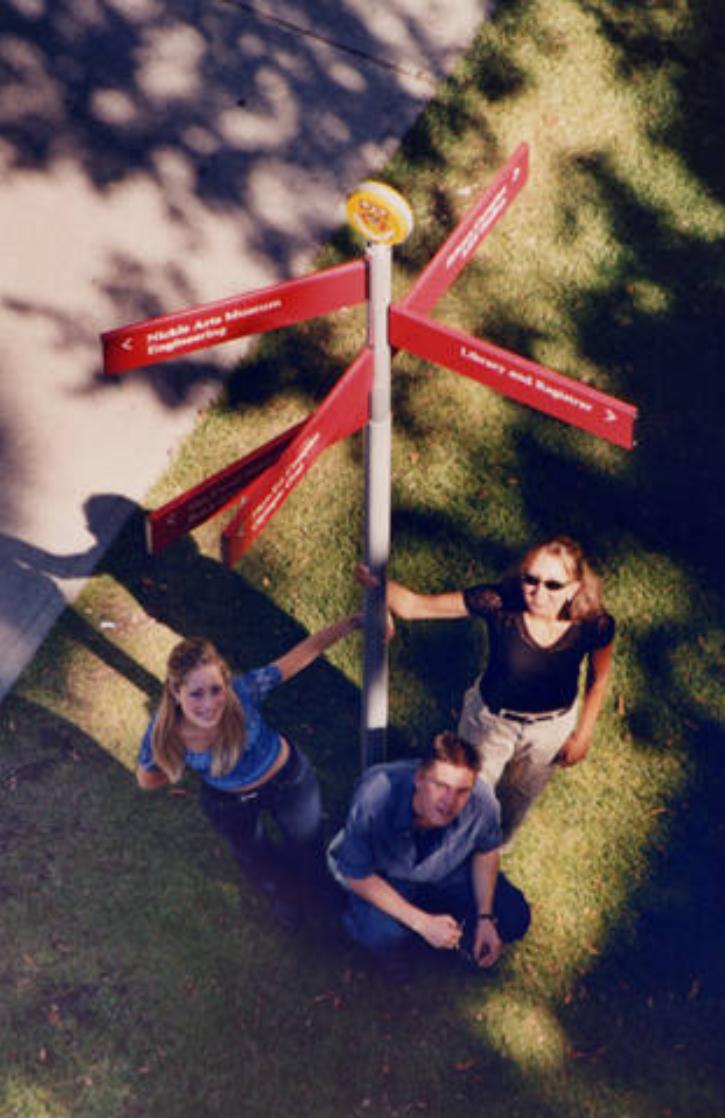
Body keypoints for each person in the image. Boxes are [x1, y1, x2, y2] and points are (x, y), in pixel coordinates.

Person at [359, 535, 615, 842]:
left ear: (573, 588)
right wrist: (375, 583)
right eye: (530, 579)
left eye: (553, 585)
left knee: (517, 801)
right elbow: (415, 606)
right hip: (491, 723)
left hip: (550, 730)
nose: (538, 592)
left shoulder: (594, 625)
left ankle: (491, 849)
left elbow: (598, 678)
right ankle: (447, 851)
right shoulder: (499, 603)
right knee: (464, 797)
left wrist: (583, 733)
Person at [136, 614, 360, 929]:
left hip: (288, 781)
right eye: (195, 694)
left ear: (227, 682)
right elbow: (147, 778)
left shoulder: (244, 691)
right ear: (175, 692)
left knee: (308, 848)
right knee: (257, 861)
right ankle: (286, 899)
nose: (209, 704)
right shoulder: (163, 733)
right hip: (229, 801)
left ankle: (325, 900)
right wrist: (177, 765)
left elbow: (300, 654)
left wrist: (351, 623)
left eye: (216, 689)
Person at [327, 732, 530, 981]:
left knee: (514, 916)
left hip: (450, 871)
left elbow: (486, 851)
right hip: (390, 878)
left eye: (462, 791)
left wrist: (485, 917)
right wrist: (422, 923)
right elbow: (356, 874)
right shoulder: (375, 793)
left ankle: (464, 939)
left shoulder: (482, 803)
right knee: (378, 931)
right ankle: (396, 951)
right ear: (419, 778)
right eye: (440, 786)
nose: (449, 801)